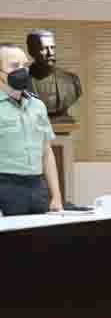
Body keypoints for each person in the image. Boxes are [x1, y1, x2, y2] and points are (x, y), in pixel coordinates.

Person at [0, 43, 62, 215]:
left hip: (36, 187)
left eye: (25, 65)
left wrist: (56, 196)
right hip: (5, 186)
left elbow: (46, 152)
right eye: (14, 66)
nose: (22, 71)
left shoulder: (38, 106)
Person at [26, 29, 83, 125]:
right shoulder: (20, 82)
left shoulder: (71, 81)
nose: (50, 53)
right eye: (43, 48)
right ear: (31, 51)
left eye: (52, 47)